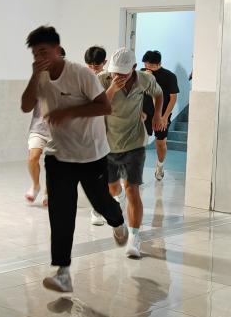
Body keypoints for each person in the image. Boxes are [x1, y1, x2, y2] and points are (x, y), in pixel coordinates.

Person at [21, 26, 126, 293]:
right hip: (58, 155)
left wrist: (68, 113)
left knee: (101, 202)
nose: (39, 58)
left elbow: (105, 106)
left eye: (44, 52)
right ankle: (63, 272)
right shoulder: (40, 77)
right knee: (60, 215)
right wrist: (34, 76)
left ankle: (117, 220)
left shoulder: (81, 74)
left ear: (57, 50)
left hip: (91, 154)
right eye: (35, 54)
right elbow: (25, 105)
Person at [99, 48, 164, 259]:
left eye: (122, 73)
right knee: (112, 188)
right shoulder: (103, 80)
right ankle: (117, 203)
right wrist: (112, 89)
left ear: (134, 68)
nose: (117, 76)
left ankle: (134, 238)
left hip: (135, 142)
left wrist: (157, 115)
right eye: (114, 72)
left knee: (132, 189)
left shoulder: (145, 79)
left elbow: (159, 94)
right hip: (108, 143)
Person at [25, 47, 65, 207]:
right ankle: (35, 186)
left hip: (59, 131)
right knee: (33, 158)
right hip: (38, 127)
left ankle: (48, 192)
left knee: (52, 164)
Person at [141, 50, 180, 181]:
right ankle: (137, 172)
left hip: (162, 114)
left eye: (151, 65)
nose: (148, 67)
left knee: (160, 143)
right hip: (145, 114)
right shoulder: (142, 73)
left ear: (159, 63)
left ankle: (160, 165)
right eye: (145, 64)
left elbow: (173, 98)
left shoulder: (169, 76)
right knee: (140, 143)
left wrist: (165, 117)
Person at [83, 46, 108, 227]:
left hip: (110, 131)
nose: (93, 69)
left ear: (104, 63)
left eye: (96, 66)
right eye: (90, 65)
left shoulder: (110, 79)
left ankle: (101, 207)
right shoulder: (81, 78)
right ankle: (97, 209)